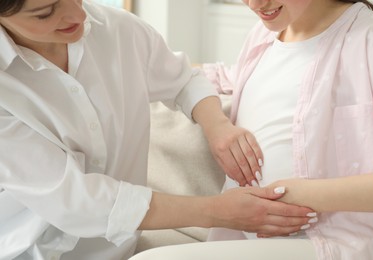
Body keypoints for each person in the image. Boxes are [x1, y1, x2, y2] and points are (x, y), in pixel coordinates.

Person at [0, 0, 318, 259]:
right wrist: (217, 212)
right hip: (24, 251)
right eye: (45, 11)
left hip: (118, 250)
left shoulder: (118, 30)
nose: (78, 14)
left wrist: (217, 126)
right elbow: (77, 201)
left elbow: (183, 80)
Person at [130, 0, 373, 260]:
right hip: (242, 240)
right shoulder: (262, 37)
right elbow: (215, 78)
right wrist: (213, 122)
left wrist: (300, 195)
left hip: (336, 245)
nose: (255, 3)